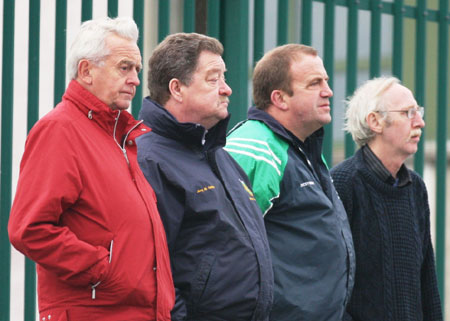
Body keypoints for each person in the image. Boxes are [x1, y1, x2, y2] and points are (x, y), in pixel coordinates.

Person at [8, 17, 174, 321]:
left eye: (137, 69)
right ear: (86, 71)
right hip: (95, 312)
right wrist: (101, 269)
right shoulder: (61, 130)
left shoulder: (121, 136)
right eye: (125, 67)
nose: (136, 79)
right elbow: (28, 229)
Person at [136, 32, 273, 321]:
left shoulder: (220, 156)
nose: (227, 89)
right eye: (214, 79)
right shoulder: (149, 160)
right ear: (177, 88)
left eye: (224, 78)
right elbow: (148, 272)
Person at [225, 44, 355, 321]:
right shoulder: (256, 149)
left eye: (326, 82)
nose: (328, 91)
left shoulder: (301, 147)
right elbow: (227, 250)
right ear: (280, 98)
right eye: (314, 83)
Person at [330, 76, 442, 320]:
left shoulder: (416, 187)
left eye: (418, 112)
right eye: (408, 113)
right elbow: (328, 279)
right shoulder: (342, 183)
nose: (420, 122)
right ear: (375, 121)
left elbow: (427, 278)